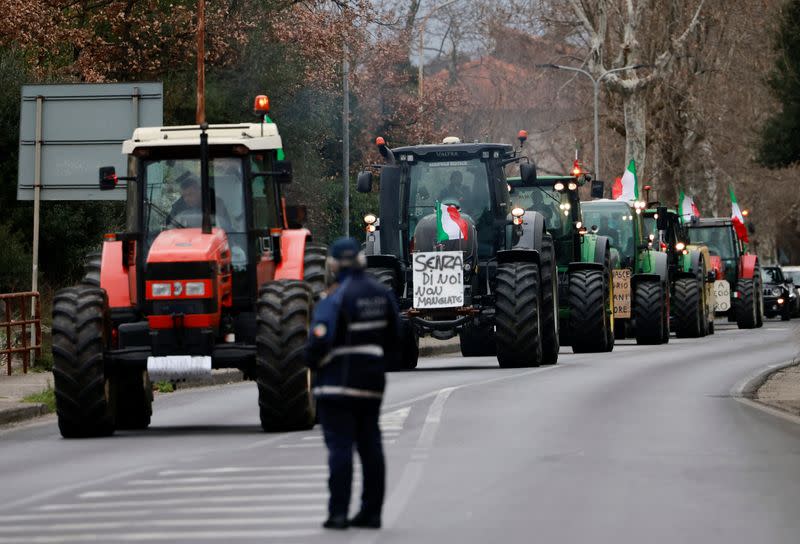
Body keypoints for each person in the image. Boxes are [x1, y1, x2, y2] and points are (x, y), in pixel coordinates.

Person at [305, 238, 400, 530]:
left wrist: (311, 360)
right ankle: (371, 513)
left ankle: (338, 513)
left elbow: (319, 340)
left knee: (340, 449)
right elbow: (396, 336)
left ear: (333, 265)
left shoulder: (335, 297)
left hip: (337, 385)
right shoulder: (382, 294)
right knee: (371, 446)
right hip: (371, 383)